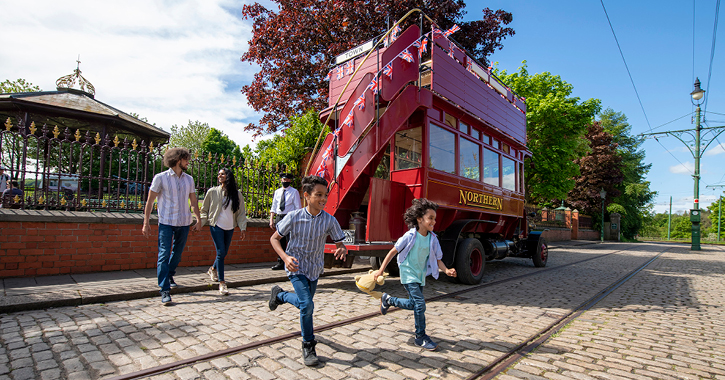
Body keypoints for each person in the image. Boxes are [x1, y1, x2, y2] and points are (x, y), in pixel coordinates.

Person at [268, 175, 347, 366]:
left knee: (306, 306)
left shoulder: (329, 220)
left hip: (314, 269)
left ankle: (280, 296)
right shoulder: (294, 217)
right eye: (318, 195)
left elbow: (340, 242)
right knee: (307, 305)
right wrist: (285, 258)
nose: (323, 199)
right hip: (296, 267)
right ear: (306, 196)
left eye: (325, 195)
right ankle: (308, 345)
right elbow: (274, 239)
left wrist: (342, 248)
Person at [374, 198, 457, 351]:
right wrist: (381, 270)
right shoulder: (410, 236)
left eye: (435, 219)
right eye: (430, 218)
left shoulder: (433, 239)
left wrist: (446, 270)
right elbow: (393, 251)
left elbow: (438, 259)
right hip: (408, 273)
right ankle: (420, 337)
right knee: (420, 304)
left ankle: (388, 300)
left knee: (413, 304)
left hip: (420, 275)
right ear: (420, 219)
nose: (434, 222)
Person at [142, 147, 202, 305]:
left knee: (178, 253)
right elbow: (150, 201)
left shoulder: (189, 179)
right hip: (166, 222)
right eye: (186, 159)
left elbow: (193, 201)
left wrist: (198, 219)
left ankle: (169, 273)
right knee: (163, 254)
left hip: (183, 222)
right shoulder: (160, 178)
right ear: (177, 160)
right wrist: (146, 222)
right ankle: (164, 289)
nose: (188, 161)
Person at [201, 168, 247, 295]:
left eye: (222, 174)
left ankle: (212, 269)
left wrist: (242, 227)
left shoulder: (237, 194)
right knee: (221, 251)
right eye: (219, 174)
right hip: (216, 225)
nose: (219, 176)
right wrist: (200, 223)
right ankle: (222, 283)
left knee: (224, 252)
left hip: (230, 227)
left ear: (228, 176)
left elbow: (241, 213)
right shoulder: (212, 192)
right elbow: (204, 210)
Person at [269, 173, 301, 270]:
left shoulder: (294, 192)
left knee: (290, 239)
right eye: (284, 179)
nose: (285, 181)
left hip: (289, 217)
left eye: (287, 180)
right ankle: (280, 262)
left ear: (290, 181)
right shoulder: (278, 192)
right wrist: (271, 219)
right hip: (279, 217)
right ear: (281, 180)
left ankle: (292, 261)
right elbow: (274, 206)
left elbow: (297, 207)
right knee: (280, 239)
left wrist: (296, 220)